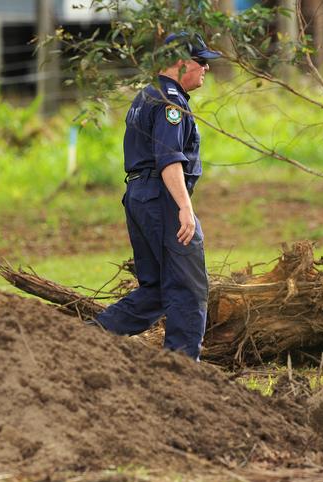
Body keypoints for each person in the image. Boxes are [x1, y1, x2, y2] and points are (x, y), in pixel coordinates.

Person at [93, 32, 220, 360]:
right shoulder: (170, 103)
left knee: (156, 290)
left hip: (138, 195)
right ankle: (181, 369)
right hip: (161, 197)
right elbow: (168, 158)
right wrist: (184, 207)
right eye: (201, 62)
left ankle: (88, 339)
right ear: (182, 63)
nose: (206, 69)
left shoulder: (146, 96)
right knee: (189, 288)